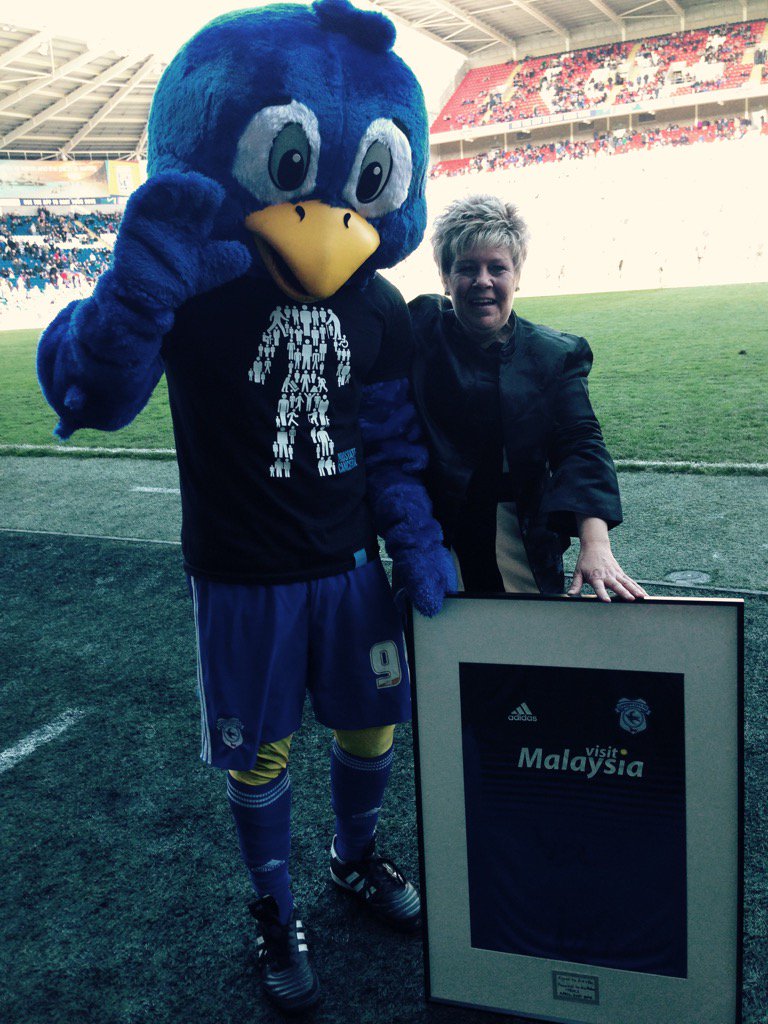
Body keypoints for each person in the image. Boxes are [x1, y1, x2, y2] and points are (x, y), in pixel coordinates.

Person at [408, 193, 646, 601]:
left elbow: (581, 444)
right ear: (446, 279)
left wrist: (596, 544)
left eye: (497, 267)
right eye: (467, 268)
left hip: (523, 547)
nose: (482, 280)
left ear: (517, 276)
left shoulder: (554, 355)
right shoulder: (420, 330)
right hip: (436, 545)